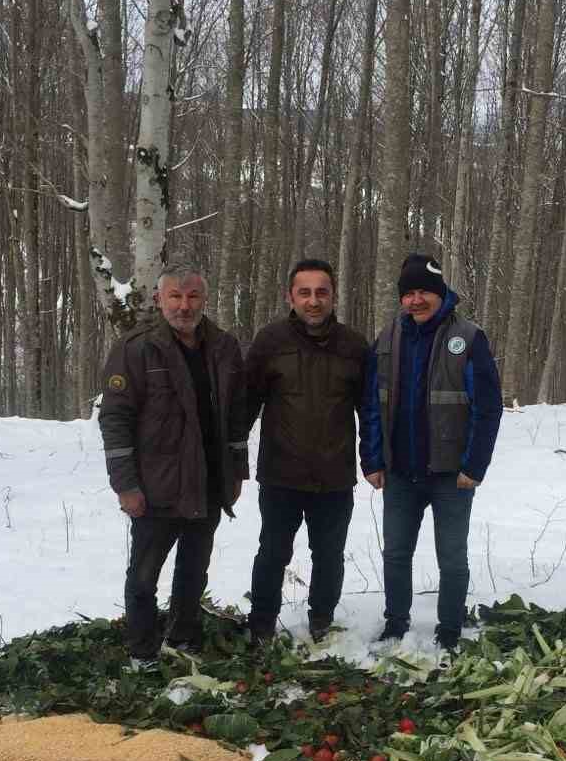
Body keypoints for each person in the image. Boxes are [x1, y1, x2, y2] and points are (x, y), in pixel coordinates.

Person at [97, 265, 247, 661]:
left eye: (193, 296)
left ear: (205, 299)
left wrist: (237, 470)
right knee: (144, 577)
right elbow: (115, 419)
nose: (185, 306)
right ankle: (142, 653)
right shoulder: (136, 349)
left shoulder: (223, 347)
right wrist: (125, 485)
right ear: (159, 300)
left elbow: (236, 416)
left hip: (208, 484)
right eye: (176, 297)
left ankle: (182, 640)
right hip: (155, 488)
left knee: (193, 573)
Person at [362, 253, 501, 652]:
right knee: (396, 554)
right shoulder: (388, 337)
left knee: (452, 558)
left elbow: (488, 408)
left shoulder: (469, 338)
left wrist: (474, 466)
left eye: (424, 292)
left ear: (441, 294)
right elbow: (372, 402)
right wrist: (372, 459)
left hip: (450, 475)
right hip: (401, 473)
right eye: (409, 293)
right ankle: (395, 622)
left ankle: (450, 628)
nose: (416, 301)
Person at [243, 258, 378, 643]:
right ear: (291, 296)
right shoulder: (270, 342)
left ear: (333, 296)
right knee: (272, 553)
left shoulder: (353, 346)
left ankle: (321, 620)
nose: (313, 301)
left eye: (322, 292)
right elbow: (246, 406)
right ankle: (262, 624)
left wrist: (373, 460)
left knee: (330, 556)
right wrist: (230, 459)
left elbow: (369, 411)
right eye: (305, 292)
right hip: (281, 474)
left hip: (334, 476)